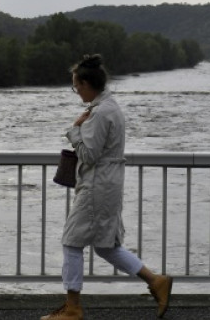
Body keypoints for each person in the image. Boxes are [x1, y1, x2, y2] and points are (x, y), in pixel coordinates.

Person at [42, 54, 173, 320]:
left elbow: (89, 155)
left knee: (71, 241)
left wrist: (74, 131)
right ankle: (156, 281)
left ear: (88, 83)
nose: (76, 91)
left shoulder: (101, 113)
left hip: (97, 185)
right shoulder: (107, 107)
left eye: (76, 86)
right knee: (106, 245)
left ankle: (73, 308)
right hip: (107, 183)